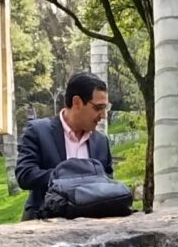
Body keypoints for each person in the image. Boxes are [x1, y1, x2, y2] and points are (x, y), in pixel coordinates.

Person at [14, 72, 116, 220]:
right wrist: (68, 177)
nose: (103, 115)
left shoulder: (101, 142)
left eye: (106, 108)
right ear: (77, 102)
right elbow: (25, 175)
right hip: (44, 226)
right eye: (98, 108)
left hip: (92, 230)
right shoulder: (38, 131)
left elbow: (107, 181)